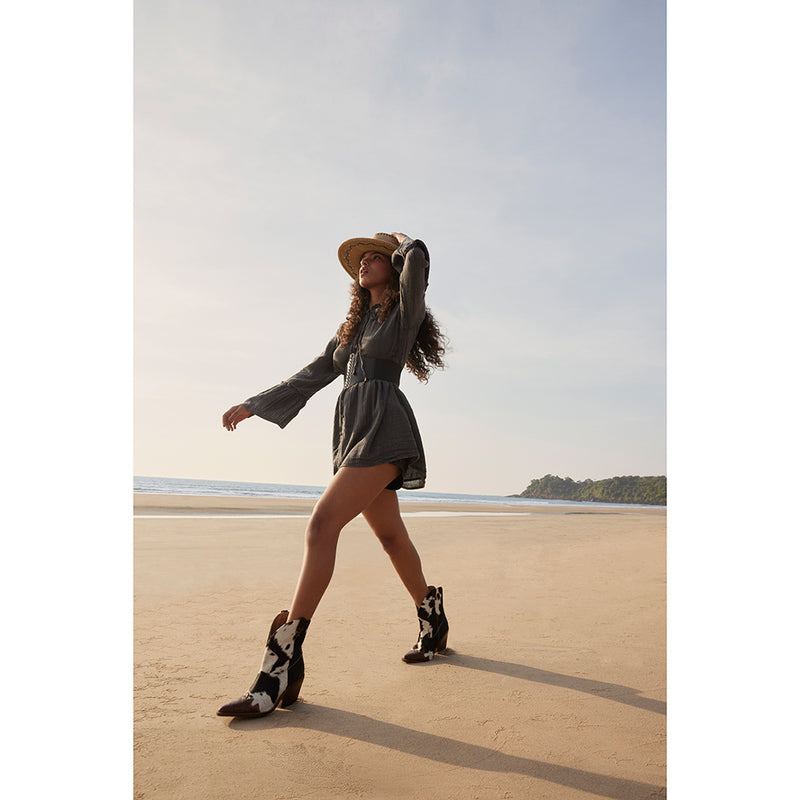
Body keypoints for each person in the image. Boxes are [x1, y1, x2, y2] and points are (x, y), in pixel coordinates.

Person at [217, 231, 450, 719]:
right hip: (351, 432)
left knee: (321, 526)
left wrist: (406, 244)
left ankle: (279, 668)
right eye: (359, 260)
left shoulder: (405, 311)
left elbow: (418, 266)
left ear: (393, 265)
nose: (364, 263)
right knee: (390, 537)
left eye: (374, 257)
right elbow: (315, 372)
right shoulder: (352, 328)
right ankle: (432, 617)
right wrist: (256, 404)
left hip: (385, 428)